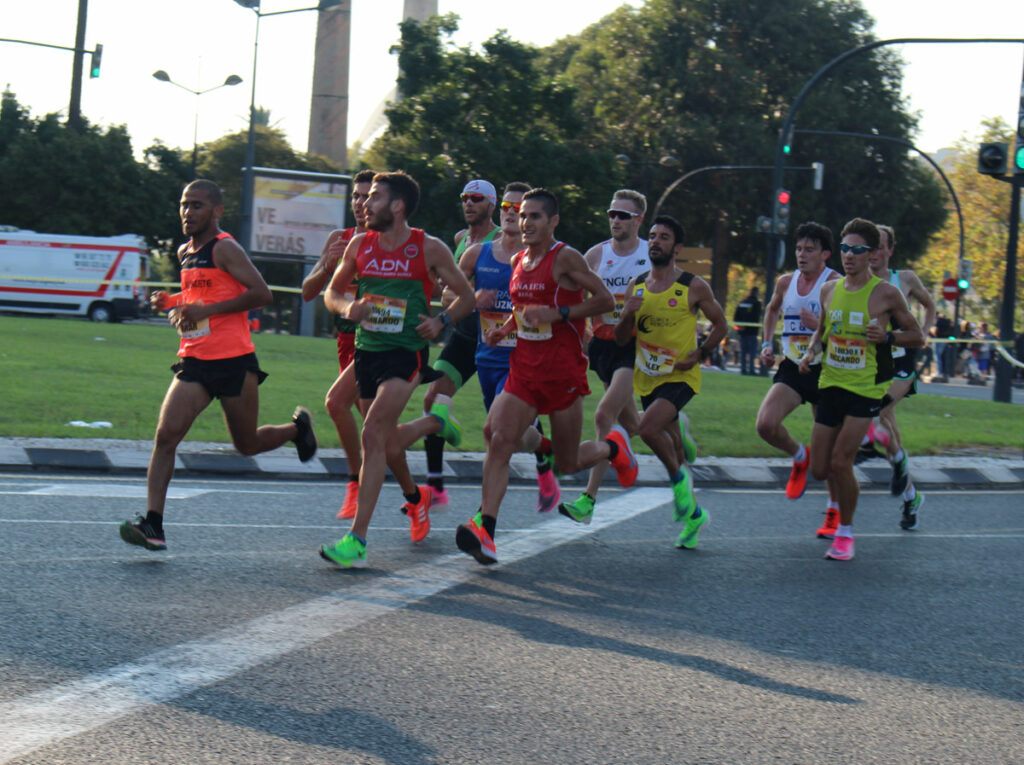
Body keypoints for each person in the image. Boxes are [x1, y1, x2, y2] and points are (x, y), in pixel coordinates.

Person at [119, 179, 318, 551]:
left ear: (216, 211)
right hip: (194, 359)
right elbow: (200, 294)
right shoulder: (185, 251)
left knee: (247, 444)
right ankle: (153, 524)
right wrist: (171, 302)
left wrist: (206, 311)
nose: (187, 212)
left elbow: (261, 293)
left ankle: (297, 430)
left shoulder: (226, 248)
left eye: (196, 205)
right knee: (165, 436)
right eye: (184, 204)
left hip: (233, 361)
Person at [455, 188, 629, 565]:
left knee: (567, 463)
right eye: (522, 215)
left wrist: (560, 314)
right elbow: (522, 310)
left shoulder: (565, 257)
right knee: (497, 436)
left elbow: (605, 301)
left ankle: (613, 447)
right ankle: (486, 530)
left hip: (562, 373)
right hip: (524, 369)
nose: (526, 222)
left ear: (553, 222)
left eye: (535, 216)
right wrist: (504, 329)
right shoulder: (518, 259)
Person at [318, 171, 476, 568]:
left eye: (374, 197)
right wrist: (348, 307)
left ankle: (357, 540)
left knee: (372, 434)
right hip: (366, 354)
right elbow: (332, 292)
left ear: (398, 206)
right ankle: (433, 432)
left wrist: (441, 322)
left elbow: (467, 296)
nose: (364, 204)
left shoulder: (429, 248)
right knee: (386, 445)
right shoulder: (360, 244)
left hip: (406, 356)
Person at [798, 218, 924, 561]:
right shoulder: (829, 289)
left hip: (865, 388)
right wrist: (810, 353)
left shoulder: (886, 293)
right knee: (820, 469)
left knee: (841, 462)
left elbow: (917, 336)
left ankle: (845, 534)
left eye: (857, 249)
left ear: (871, 254)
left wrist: (888, 336)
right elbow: (821, 332)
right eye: (845, 248)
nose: (849, 255)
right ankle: (876, 434)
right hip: (830, 384)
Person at [615, 215, 728, 549]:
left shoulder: (693, 285)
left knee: (647, 429)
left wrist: (701, 353)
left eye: (664, 237)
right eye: (652, 236)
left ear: (677, 248)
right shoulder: (636, 286)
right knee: (675, 449)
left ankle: (679, 485)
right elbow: (621, 339)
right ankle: (695, 517)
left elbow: (721, 325)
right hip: (648, 377)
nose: (655, 242)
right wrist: (627, 314)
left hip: (681, 375)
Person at [560, 189, 649, 522]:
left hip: (636, 347)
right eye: (612, 214)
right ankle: (675, 423)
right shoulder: (595, 256)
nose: (616, 220)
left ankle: (588, 500)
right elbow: (577, 296)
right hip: (602, 347)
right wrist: (582, 332)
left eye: (623, 215)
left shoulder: (650, 255)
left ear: (638, 220)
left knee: (602, 416)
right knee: (634, 424)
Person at [755, 222, 843, 537]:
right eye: (799, 249)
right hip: (793, 366)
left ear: (825, 254)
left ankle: (834, 511)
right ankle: (799, 456)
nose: (802, 255)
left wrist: (819, 324)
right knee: (765, 425)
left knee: (828, 453)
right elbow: (772, 310)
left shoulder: (835, 284)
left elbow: (845, 330)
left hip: (826, 369)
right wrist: (767, 344)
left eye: (809, 250)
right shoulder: (786, 282)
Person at [419, 180, 501, 514]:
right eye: (465, 198)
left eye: (476, 199)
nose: (469, 203)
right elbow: (454, 289)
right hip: (465, 336)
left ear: (491, 205)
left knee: (507, 424)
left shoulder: (504, 241)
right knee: (432, 398)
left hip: (498, 340)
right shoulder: (460, 240)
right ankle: (435, 486)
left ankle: (543, 459)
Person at [300, 169, 374, 520]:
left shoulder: (388, 242)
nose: (360, 203)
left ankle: (355, 484)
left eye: (368, 196)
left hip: (375, 343)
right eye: (356, 196)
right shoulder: (339, 239)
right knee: (377, 430)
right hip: (346, 343)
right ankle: (414, 495)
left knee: (345, 409)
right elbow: (308, 291)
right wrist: (328, 266)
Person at [869, 224, 935, 529]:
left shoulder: (905, 278)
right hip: (876, 363)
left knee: (878, 410)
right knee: (890, 436)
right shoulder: (859, 282)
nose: (874, 253)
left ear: (890, 250)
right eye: (870, 247)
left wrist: (924, 333)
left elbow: (929, 305)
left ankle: (882, 457)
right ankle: (911, 496)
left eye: (880, 247)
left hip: (903, 362)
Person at [733, 286, 762, 375]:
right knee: (752, 353)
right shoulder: (757, 304)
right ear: (757, 293)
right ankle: (751, 370)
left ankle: (743, 369)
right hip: (752, 332)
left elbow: (736, 317)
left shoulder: (742, 303)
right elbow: (756, 317)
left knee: (743, 352)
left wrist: (740, 327)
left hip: (743, 332)